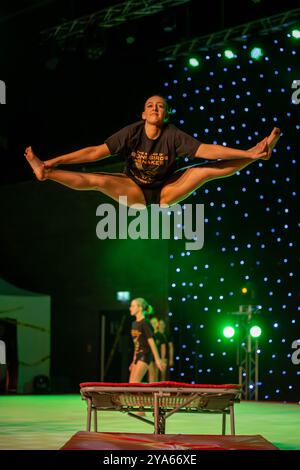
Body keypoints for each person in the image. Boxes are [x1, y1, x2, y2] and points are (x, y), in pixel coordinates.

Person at [24, 95, 281, 208]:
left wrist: (245, 153)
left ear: (166, 114)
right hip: (134, 189)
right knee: (98, 179)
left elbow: (207, 150)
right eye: (150, 106)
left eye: (160, 106)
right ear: (144, 114)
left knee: (204, 171)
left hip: (166, 190)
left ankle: (257, 154)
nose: (155, 108)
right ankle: (45, 173)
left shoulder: (173, 134)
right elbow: (93, 153)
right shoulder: (132, 133)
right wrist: (50, 161)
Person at [129, 298, 164, 383]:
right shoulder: (134, 324)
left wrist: (157, 359)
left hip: (145, 354)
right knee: (131, 383)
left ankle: (148, 394)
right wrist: (133, 360)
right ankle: (145, 393)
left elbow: (151, 342)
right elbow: (136, 344)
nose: (130, 308)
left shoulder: (145, 323)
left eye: (133, 306)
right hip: (138, 355)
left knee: (135, 383)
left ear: (140, 308)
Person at [147, 315, 167, 382]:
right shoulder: (148, 334)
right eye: (152, 323)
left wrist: (162, 358)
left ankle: (156, 390)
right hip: (150, 357)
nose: (153, 324)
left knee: (156, 374)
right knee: (151, 374)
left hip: (158, 357)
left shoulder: (160, 335)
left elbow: (163, 348)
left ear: (157, 324)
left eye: (155, 323)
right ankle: (150, 390)